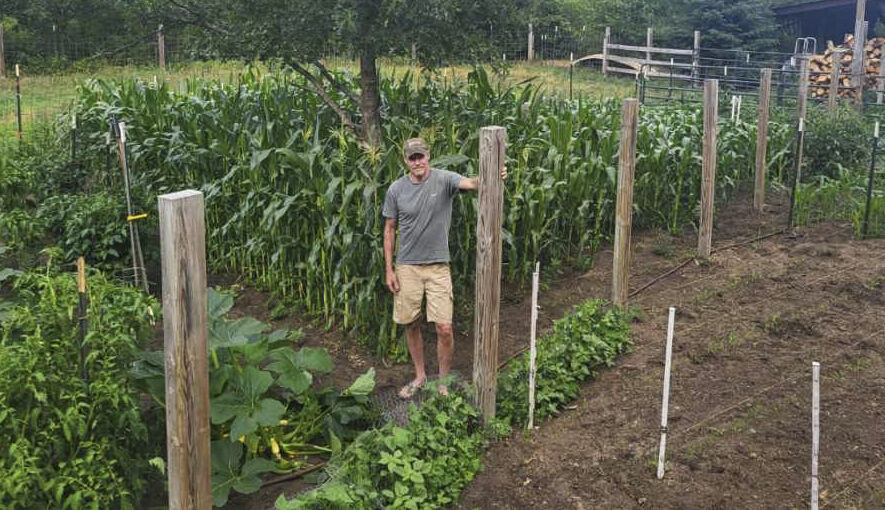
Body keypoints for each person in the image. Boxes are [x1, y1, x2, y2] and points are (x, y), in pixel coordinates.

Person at [382, 137, 505, 398]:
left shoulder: (444, 179)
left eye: (421, 156)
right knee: (411, 323)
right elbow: (389, 230)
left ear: (428, 156)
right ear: (405, 160)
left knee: (444, 328)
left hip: (438, 267)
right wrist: (389, 270)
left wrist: (494, 173)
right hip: (407, 267)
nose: (417, 161)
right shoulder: (396, 190)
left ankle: (443, 382)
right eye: (412, 157)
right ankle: (419, 376)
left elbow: (471, 183)